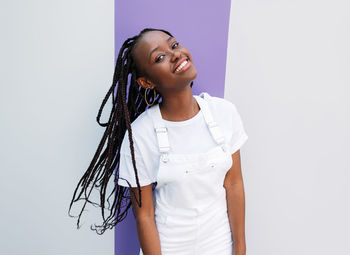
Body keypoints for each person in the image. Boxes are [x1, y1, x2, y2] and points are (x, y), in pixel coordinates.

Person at [68, 28, 248, 255]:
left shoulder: (224, 113)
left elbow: (233, 184)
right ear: (147, 82)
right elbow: (144, 217)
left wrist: (240, 248)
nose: (175, 54)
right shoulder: (141, 136)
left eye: (174, 45)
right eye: (159, 57)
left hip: (221, 247)